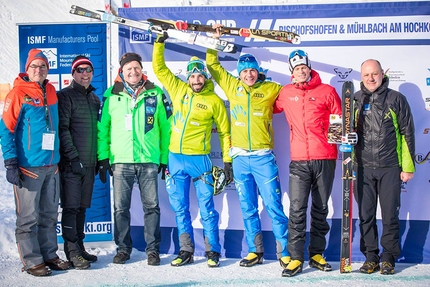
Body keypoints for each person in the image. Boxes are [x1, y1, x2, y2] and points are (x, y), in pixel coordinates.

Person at [206, 27, 290, 275]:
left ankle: (284, 253)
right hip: (241, 158)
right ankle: (256, 250)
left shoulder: (272, 88)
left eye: (253, 70)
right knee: (248, 207)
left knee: (274, 206)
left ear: (258, 71)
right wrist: (215, 40)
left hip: (264, 158)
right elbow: (213, 64)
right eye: (244, 71)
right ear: (239, 74)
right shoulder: (232, 86)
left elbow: (293, 96)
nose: (249, 74)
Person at [152, 33, 233, 268]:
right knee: (180, 209)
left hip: (200, 161)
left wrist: (227, 161)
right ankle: (186, 250)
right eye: (192, 75)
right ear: (188, 77)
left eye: (200, 75)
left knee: (207, 209)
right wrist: (159, 43)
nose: (196, 79)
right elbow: (159, 68)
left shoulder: (214, 101)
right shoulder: (178, 89)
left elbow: (226, 133)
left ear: (205, 77)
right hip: (175, 159)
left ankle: (212, 251)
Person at [97, 52, 172, 266]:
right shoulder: (111, 94)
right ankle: (123, 249)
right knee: (121, 208)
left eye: (136, 67)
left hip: (148, 159)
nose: (133, 71)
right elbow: (103, 129)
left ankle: (153, 250)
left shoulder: (155, 93)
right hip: (120, 160)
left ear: (142, 70)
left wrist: (164, 158)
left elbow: (166, 128)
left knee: (152, 207)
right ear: (121, 71)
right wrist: (103, 158)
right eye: (128, 68)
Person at [0, 48, 70, 276]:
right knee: (28, 218)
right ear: (27, 69)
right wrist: (11, 162)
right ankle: (31, 260)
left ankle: (49, 254)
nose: (38, 70)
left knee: (49, 215)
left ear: (47, 69)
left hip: (52, 166)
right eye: (34, 66)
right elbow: (5, 129)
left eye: (42, 66)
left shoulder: (50, 91)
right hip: (28, 167)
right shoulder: (17, 94)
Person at [273, 49, 342, 277]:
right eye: (297, 68)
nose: (301, 71)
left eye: (304, 67)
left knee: (321, 208)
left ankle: (316, 253)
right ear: (291, 72)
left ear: (309, 68)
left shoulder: (328, 91)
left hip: (325, 158)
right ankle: (295, 258)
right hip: (299, 160)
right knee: (296, 209)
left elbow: (338, 119)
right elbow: (269, 107)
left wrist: (337, 143)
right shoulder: (285, 93)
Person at [353, 59, 415, 275]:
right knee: (365, 215)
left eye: (375, 74)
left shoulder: (396, 99)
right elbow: (348, 134)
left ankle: (388, 257)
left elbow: (407, 133)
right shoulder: (355, 100)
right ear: (362, 76)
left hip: (390, 167)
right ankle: (371, 257)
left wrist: (407, 167)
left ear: (382, 74)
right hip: (362, 168)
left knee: (389, 215)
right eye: (367, 75)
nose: (371, 78)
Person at [57, 55, 100, 269]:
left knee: (82, 208)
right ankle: (72, 251)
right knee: (71, 207)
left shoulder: (94, 99)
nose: (85, 73)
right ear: (73, 73)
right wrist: (72, 158)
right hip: (72, 164)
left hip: (89, 163)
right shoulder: (65, 96)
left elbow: (99, 132)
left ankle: (80, 247)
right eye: (80, 70)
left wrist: (99, 159)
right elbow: (63, 129)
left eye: (88, 70)